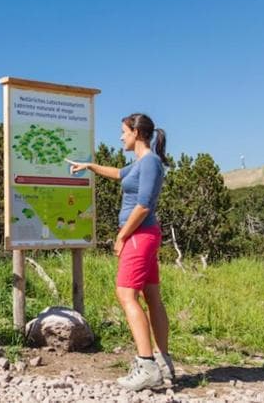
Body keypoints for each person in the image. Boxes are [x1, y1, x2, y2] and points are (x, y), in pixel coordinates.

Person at [69, 113, 175, 391]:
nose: (120, 137)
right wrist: (89, 165)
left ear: (137, 133)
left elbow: (143, 206)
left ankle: (147, 365)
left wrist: (122, 235)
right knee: (152, 295)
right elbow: (118, 174)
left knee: (126, 294)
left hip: (139, 235)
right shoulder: (140, 163)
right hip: (143, 235)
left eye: (123, 132)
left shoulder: (150, 162)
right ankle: (163, 363)